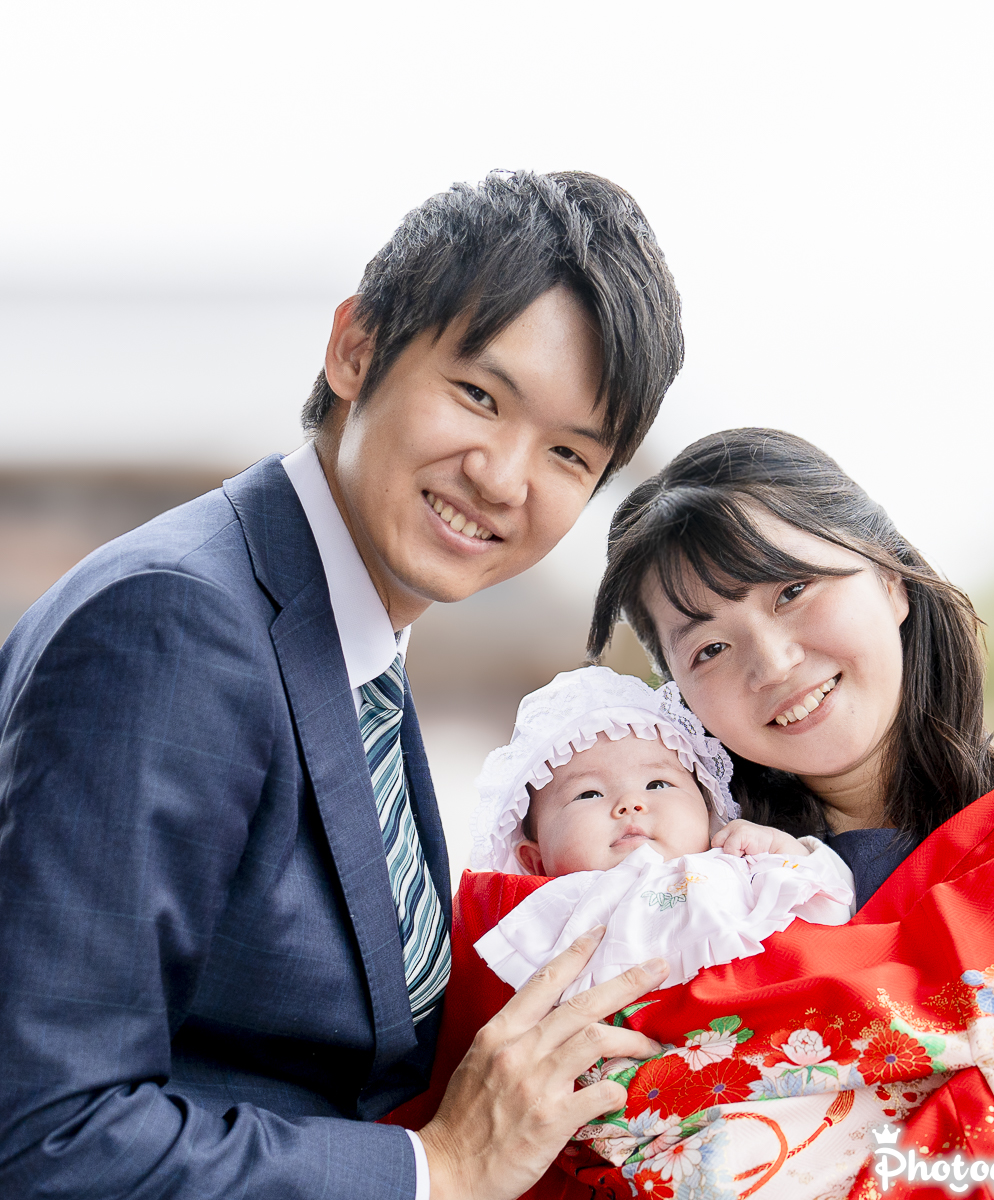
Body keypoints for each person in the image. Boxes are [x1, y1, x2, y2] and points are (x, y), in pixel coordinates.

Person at [0, 170, 685, 1200]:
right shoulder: (179, 625)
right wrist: (437, 1168)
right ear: (356, 347)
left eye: (568, 454)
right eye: (480, 396)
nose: (503, 477)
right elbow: (48, 1133)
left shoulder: (351, 641)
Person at [401, 428, 994, 1198]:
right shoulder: (675, 902)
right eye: (708, 648)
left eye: (792, 591)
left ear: (889, 577)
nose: (773, 663)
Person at [467, 666, 854, 1002]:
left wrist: (788, 854)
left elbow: (834, 910)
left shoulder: (738, 863)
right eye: (588, 793)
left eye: (657, 784)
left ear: (707, 813)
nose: (631, 803)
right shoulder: (549, 912)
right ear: (535, 860)